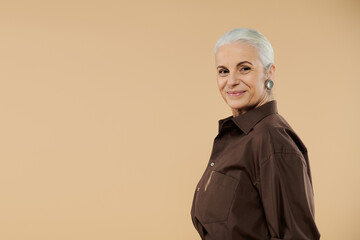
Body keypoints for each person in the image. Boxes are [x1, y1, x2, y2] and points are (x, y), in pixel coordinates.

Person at [190, 28, 320, 240]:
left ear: (269, 73)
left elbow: (297, 236)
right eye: (223, 71)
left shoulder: (272, 140)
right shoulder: (240, 137)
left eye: (244, 68)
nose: (231, 81)